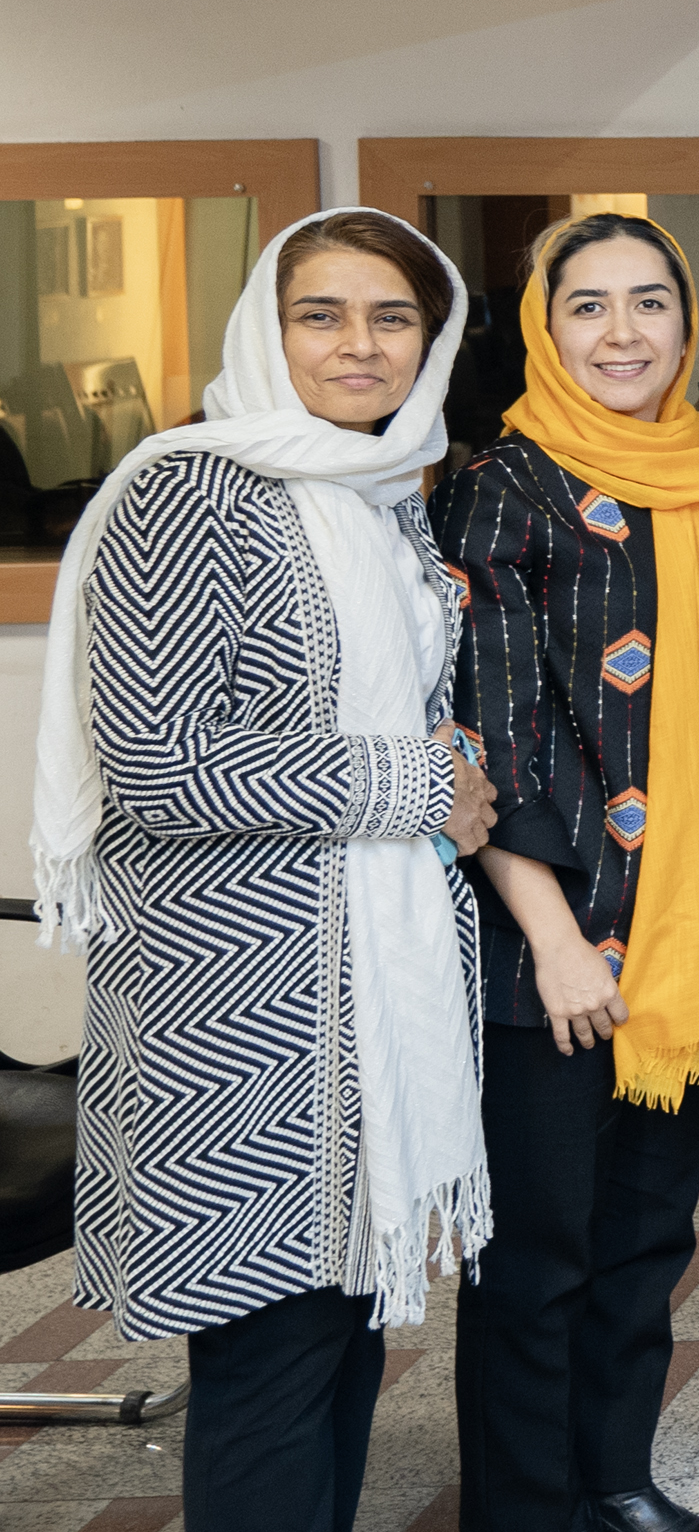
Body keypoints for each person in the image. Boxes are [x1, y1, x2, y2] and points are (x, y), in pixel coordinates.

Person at [34, 209, 497, 1532]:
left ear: (433, 338)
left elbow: (396, 704)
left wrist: (440, 756)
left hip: (359, 999)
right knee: (270, 1357)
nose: (360, 343)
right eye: (323, 313)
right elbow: (164, 764)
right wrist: (413, 785)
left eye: (392, 317)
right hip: (235, 1016)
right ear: (265, 324)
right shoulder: (188, 491)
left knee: (339, 1337)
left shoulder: (380, 489)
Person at [443, 215, 699, 1532]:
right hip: (553, 945)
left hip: (681, 935)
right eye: (588, 305)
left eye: (650, 302)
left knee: (643, 1239)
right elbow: (491, 735)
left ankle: (613, 1477)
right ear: (543, 326)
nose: (623, 332)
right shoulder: (500, 487)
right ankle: (523, 1509)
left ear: (687, 324)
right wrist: (557, 935)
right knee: (539, 1255)